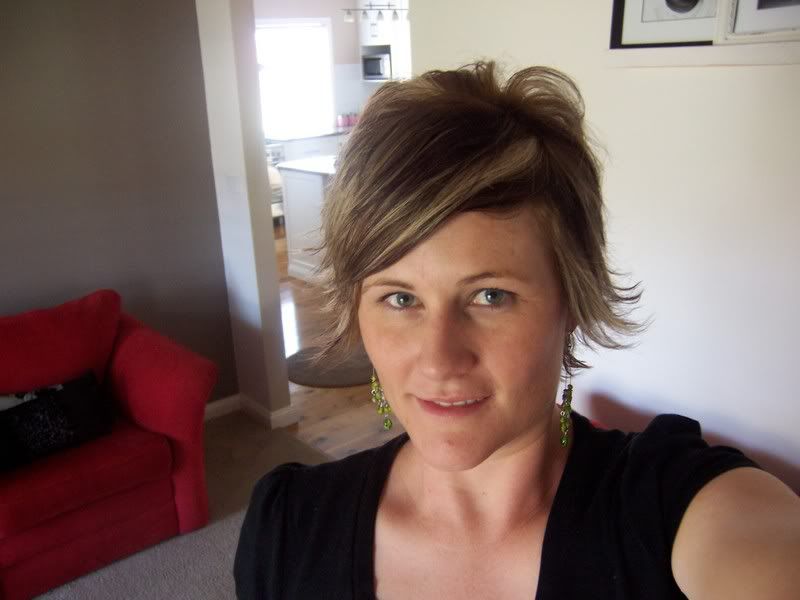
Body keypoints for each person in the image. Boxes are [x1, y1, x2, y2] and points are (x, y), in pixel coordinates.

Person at [234, 61, 800, 599]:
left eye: (491, 296)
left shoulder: (672, 506)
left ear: (571, 299)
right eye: (400, 298)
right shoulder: (286, 528)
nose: (439, 360)